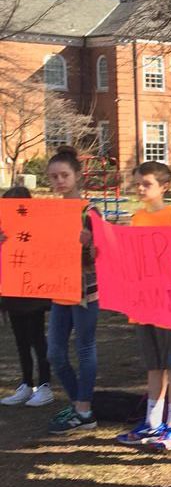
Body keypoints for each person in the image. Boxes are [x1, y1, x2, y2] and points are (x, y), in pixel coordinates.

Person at [0, 147, 104, 434]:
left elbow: (105, 254)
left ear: (77, 176)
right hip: (59, 290)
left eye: (64, 175)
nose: (59, 181)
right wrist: (8, 241)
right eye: (54, 176)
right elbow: (32, 244)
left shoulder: (89, 210)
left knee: (84, 348)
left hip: (84, 291)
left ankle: (83, 409)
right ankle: (80, 403)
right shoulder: (47, 212)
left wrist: (90, 244)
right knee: (55, 352)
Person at [114, 162, 171, 451]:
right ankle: (152, 420)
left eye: (146, 183)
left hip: (170, 303)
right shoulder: (136, 218)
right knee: (154, 364)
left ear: (164, 187)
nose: (140, 188)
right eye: (137, 183)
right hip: (144, 302)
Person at [0, 187, 53, 408]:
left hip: (34, 293)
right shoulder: (3, 230)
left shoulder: (37, 228)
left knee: (37, 339)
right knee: (20, 339)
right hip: (12, 292)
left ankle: (44, 384)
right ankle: (26, 383)